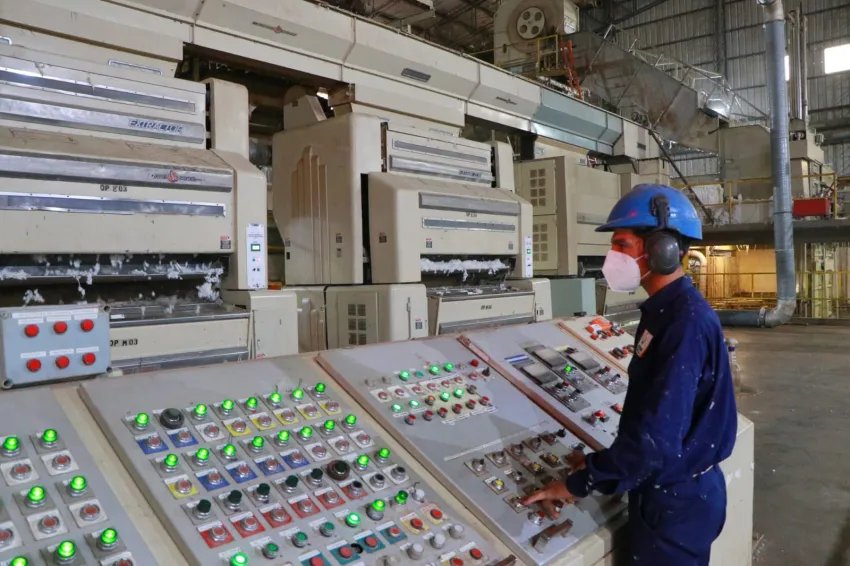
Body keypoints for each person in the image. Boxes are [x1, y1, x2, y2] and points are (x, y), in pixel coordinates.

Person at [521, 184, 738, 566]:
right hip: (678, 491)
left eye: (621, 245)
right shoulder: (666, 312)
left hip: (673, 502)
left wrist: (578, 484)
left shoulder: (683, 323)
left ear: (661, 249)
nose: (613, 257)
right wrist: (605, 465)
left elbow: (656, 443)